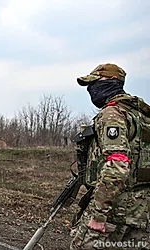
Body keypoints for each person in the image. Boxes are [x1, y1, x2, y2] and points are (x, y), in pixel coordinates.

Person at [69, 63, 150, 249]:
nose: (92, 88)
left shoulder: (112, 114)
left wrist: (98, 214)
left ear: (112, 82)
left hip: (114, 210)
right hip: (141, 212)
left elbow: (117, 165)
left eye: (96, 82)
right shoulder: (141, 114)